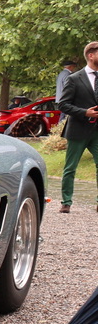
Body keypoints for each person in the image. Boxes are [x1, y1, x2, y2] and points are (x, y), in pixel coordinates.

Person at [55, 41, 98, 212]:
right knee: (70, 168)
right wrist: (84, 112)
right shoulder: (74, 78)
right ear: (91, 55)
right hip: (78, 130)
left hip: (97, 132)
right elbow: (63, 105)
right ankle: (66, 202)